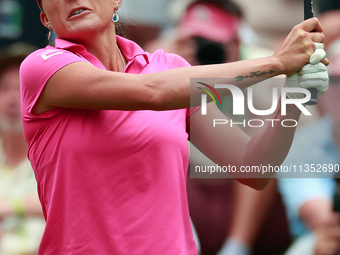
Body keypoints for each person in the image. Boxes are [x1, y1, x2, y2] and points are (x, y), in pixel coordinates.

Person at [20, 0, 328, 254]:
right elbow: (152, 93)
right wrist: (276, 62)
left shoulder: (170, 69)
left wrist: (291, 97)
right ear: (46, 18)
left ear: (116, 1)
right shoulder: (42, 67)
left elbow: (253, 168)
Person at [277, 49, 340, 255]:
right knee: (316, 246)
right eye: (334, 81)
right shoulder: (297, 145)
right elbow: (323, 221)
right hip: (323, 241)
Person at [0, 42, 45, 255]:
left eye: (21, 88)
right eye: (3, 88)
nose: (11, 99)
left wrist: (10, 207)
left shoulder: (58, 153)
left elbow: (76, 207)